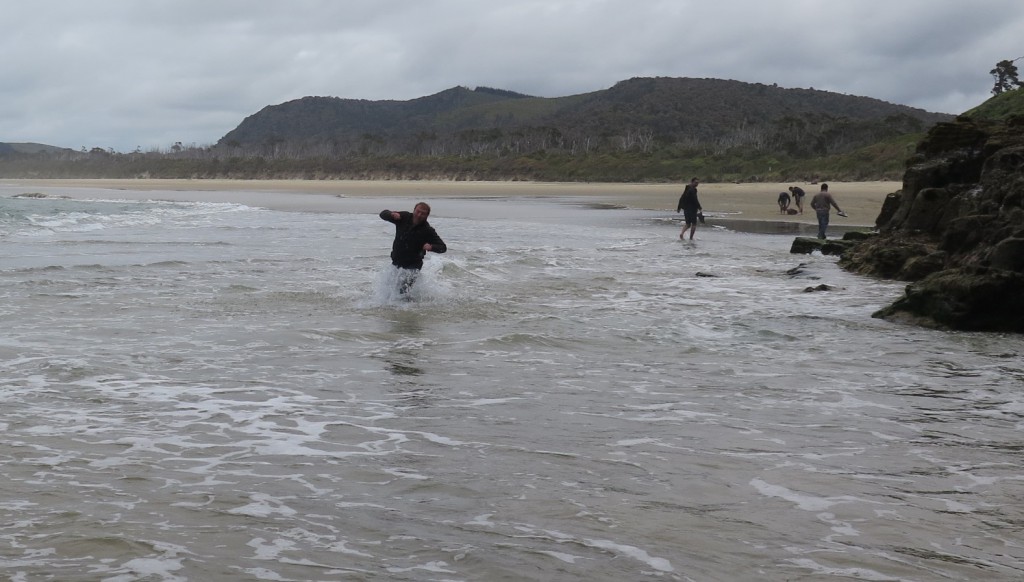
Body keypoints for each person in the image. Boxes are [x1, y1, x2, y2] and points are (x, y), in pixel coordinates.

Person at [379, 201, 447, 293]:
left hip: (413, 266)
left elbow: (443, 247)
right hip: (396, 261)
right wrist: (391, 214)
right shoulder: (404, 217)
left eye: (423, 214)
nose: (419, 215)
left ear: (427, 216)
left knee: (403, 292)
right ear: (414, 210)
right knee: (390, 290)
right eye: (418, 211)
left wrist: (431, 247)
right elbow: (382, 214)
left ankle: (407, 305)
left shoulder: (427, 230)